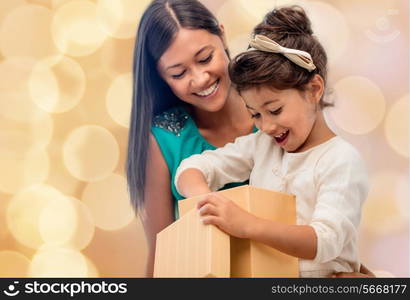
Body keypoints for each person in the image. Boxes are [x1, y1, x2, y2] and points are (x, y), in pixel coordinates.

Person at [126, 0, 374, 278]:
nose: (199, 78)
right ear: (161, 77)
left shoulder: (286, 132)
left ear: (222, 35)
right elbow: (161, 258)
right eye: (179, 73)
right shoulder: (260, 143)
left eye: (205, 58)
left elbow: (330, 237)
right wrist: (206, 200)